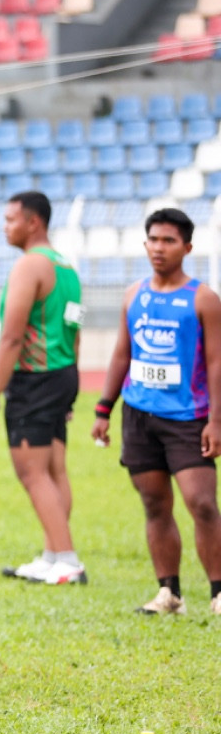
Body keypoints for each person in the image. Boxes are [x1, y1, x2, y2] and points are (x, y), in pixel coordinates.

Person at [91, 208, 221, 615]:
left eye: (168, 240)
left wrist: (216, 420)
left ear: (187, 247)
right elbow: (121, 355)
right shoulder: (134, 294)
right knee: (153, 503)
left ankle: (218, 593)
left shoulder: (203, 298)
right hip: (139, 415)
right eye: (153, 239)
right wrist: (103, 408)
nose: (159, 248)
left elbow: (217, 363)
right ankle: (170, 594)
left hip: (188, 418)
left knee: (201, 502)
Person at [0, 191, 86, 585]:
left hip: (33, 378)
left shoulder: (29, 266)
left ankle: (67, 559)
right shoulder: (68, 268)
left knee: (32, 472)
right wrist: (71, 384)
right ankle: (52, 554)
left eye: (11, 219)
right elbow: (75, 331)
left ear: (33, 223)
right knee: (55, 468)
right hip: (62, 373)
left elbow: (11, 337)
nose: (5, 227)